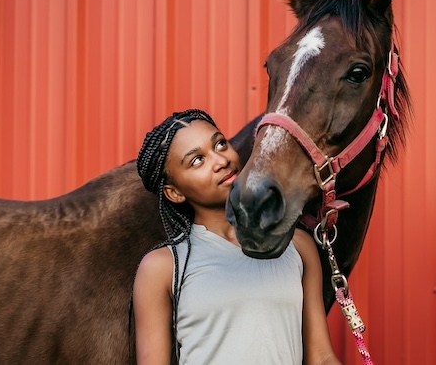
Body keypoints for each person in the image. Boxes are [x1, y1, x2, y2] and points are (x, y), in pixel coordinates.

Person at [132, 109, 341, 365]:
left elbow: (321, 357)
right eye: (197, 161)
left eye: (220, 144)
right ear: (174, 192)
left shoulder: (297, 245)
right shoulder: (162, 266)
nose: (220, 160)